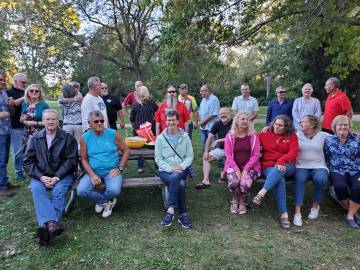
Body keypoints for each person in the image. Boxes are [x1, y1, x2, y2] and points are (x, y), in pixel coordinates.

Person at [23, 109, 78, 246]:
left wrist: (57, 177)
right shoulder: (35, 138)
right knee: (36, 189)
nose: (50, 122)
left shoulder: (67, 137)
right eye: (47, 119)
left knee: (58, 193)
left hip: (62, 175)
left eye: (53, 119)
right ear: (43, 121)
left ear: (57, 121)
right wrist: (40, 177)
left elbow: (71, 161)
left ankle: (44, 230)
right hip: (41, 175)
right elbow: (28, 162)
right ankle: (53, 226)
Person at [77, 111, 129, 218]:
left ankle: (102, 201)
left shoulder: (113, 134)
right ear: (89, 123)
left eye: (102, 121)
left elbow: (126, 151)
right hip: (93, 170)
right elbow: (84, 159)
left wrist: (120, 168)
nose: (100, 123)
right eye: (96, 121)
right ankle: (106, 202)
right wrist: (92, 175)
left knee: (114, 190)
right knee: (81, 191)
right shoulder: (85, 138)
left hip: (112, 170)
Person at [252, 115, 298, 229]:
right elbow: (251, 141)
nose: (277, 127)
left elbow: (293, 152)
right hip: (268, 166)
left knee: (278, 171)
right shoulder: (265, 133)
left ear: (286, 127)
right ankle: (284, 214)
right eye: (275, 124)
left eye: (280, 125)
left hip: (287, 166)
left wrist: (281, 161)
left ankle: (261, 193)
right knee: (279, 179)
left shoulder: (292, 136)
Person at [155, 109, 194, 229]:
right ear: (165, 122)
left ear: (178, 121)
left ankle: (170, 210)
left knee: (177, 176)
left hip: (181, 169)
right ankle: (182, 215)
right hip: (165, 171)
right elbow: (158, 159)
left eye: (173, 120)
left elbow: (190, 156)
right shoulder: (160, 138)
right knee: (180, 183)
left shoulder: (185, 137)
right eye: (168, 120)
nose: (171, 122)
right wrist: (170, 168)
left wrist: (181, 167)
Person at [293, 115, 330, 226]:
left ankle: (315, 206)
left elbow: (340, 136)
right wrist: (267, 128)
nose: (300, 123)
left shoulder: (323, 135)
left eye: (304, 122)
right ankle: (297, 212)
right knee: (299, 179)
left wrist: (355, 134)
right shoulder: (296, 135)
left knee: (321, 179)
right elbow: (280, 133)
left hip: (319, 166)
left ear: (313, 124)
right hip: (301, 166)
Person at [324, 115, 360, 228]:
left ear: (349, 126)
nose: (343, 127)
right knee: (339, 187)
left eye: (345, 124)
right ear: (335, 127)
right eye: (340, 124)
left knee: (358, 187)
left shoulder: (357, 139)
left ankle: (350, 216)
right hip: (337, 170)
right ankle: (356, 213)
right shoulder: (329, 140)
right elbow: (326, 156)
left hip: (356, 169)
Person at [224, 112, 260, 214]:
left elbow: (256, 155)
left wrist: (245, 169)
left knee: (244, 184)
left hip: (250, 167)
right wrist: (237, 170)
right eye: (242, 119)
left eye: (247, 119)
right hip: (233, 166)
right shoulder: (230, 136)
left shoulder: (253, 136)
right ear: (236, 122)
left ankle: (242, 201)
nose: (245, 121)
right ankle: (235, 198)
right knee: (234, 182)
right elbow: (229, 156)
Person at [196, 107, 232, 189]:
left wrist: (218, 140)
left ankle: (224, 173)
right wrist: (206, 151)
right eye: (221, 114)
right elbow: (209, 138)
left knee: (232, 163)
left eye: (225, 113)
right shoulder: (217, 124)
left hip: (234, 150)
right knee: (206, 158)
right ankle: (205, 180)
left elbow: (233, 137)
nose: (223, 115)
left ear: (230, 114)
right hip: (222, 149)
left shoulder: (234, 123)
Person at [130, 86, 158, 173]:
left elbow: (132, 119)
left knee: (139, 148)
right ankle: (156, 166)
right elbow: (159, 110)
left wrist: (133, 126)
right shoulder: (151, 103)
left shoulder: (135, 105)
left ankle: (140, 166)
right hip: (150, 130)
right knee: (154, 148)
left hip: (139, 130)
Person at [0, 70, 18, 197]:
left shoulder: (3, 93)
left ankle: (4, 182)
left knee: (5, 159)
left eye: (4, 79)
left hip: (6, 131)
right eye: (0, 79)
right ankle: (2, 187)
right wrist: (3, 114)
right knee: (0, 160)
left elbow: (11, 112)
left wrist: (11, 105)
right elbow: (4, 114)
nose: (3, 81)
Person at [6, 73, 28, 180]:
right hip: (15, 126)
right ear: (15, 81)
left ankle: (27, 169)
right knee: (18, 151)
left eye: (26, 83)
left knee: (27, 149)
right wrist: (24, 97)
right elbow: (12, 108)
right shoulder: (8, 92)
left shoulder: (25, 92)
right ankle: (19, 172)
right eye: (23, 82)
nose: (25, 84)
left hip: (28, 125)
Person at [20, 84, 49, 151]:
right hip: (26, 134)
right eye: (31, 90)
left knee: (39, 154)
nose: (34, 92)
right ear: (28, 93)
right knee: (27, 155)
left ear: (39, 93)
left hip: (39, 134)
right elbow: (21, 118)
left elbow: (49, 122)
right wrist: (22, 120)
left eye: (37, 91)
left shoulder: (44, 105)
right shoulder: (24, 104)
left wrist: (34, 123)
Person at [198, 83, 220, 150]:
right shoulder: (203, 100)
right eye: (200, 91)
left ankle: (219, 159)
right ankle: (206, 155)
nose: (200, 92)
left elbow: (213, 114)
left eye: (202, 91)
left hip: (212, 126)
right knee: (204, 142)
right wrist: (202, 122)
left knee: (214, 142)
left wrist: (203, 123)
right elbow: (200, 112)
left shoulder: (214, 99)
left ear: (207, 91)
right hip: (203, 126)